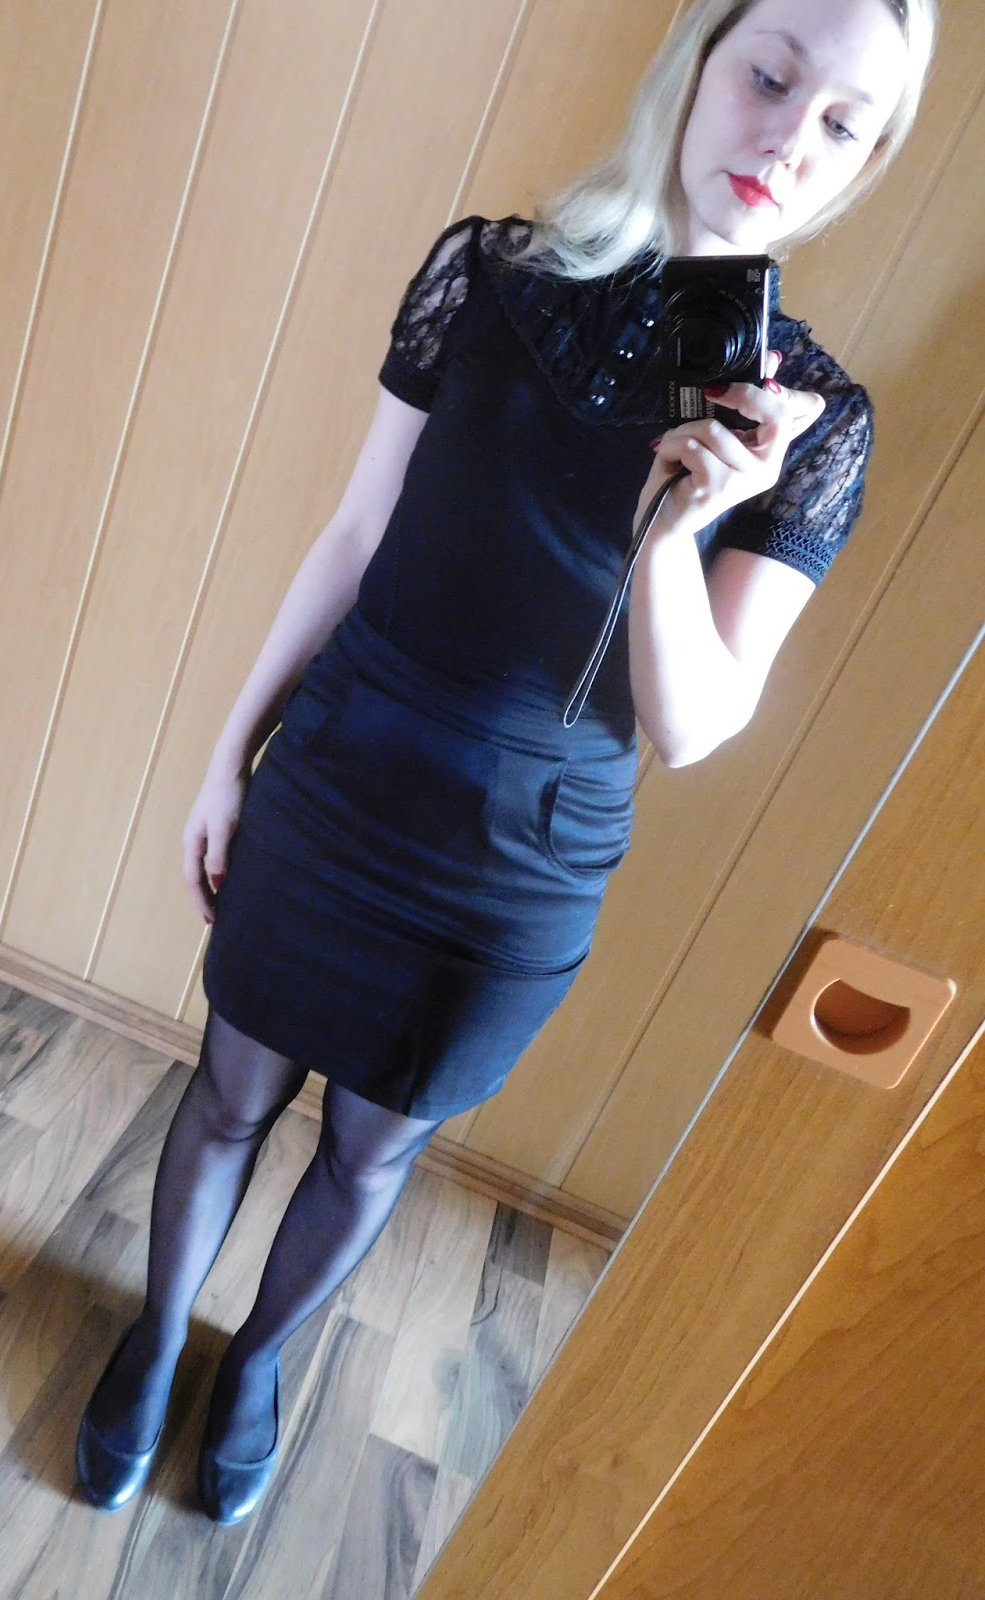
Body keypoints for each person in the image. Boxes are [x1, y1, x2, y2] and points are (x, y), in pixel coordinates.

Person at [76, 0, 937, 1524]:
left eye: (842, 123)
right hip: (342, 769)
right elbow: (358, 533)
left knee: (370, 1151)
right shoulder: (487, 273)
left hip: (523, 858)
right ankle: (155, 1339)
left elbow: (694, 726)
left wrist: (677, 526)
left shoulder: (813, 425)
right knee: (227, 1094)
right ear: (699, 62)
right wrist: (226, 756)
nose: (789, 137)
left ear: (866, 163)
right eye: (770, 74)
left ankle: (257, 1358)